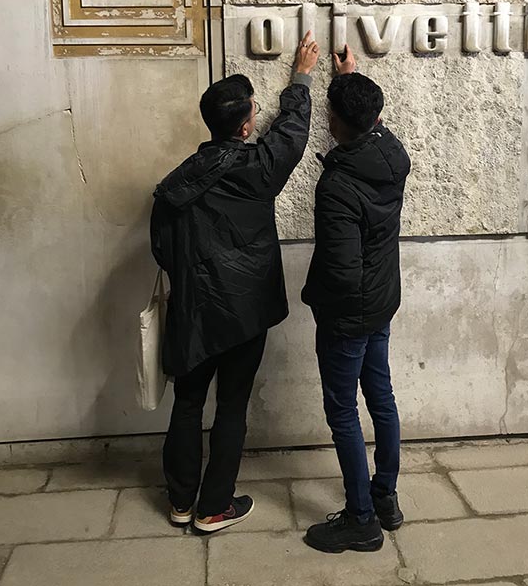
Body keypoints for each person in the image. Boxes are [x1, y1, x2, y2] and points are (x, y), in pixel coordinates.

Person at [150, 32, 319, 534]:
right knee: (232, 405)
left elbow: (161, 247)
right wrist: (302, 78)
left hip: (193, 312)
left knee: (187, 401)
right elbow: (290, 136)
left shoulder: (177, 180)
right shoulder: (256, 169)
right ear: (247, 126)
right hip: (243, 314)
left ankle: (180, 502)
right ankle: (212, 507)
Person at [301, 45, 411, 553]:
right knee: (381, 397)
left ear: (334, 123)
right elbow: (369, 117)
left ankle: (362, 520)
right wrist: (350, 79)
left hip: (348, 315)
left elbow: (342, 272)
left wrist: (320, 301)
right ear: (377, 118)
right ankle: (385, 497)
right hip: (383, 300)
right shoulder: (392, 154)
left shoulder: (338, 184)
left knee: (343, 411)